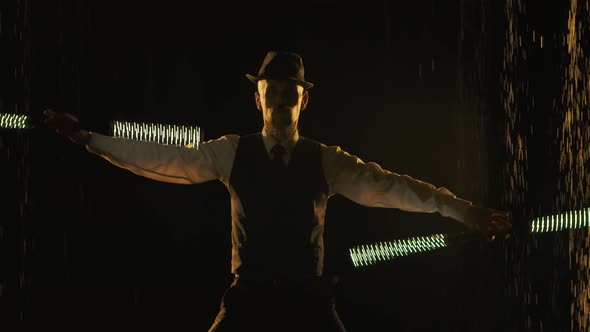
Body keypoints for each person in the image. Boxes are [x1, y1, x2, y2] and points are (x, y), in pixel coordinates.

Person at [43, 51, 511, 332]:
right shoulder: (231, 153)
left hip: (308, 303)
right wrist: (87, 140)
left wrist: (462, 210)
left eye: (291, 93)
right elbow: (166, 161)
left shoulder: (326, 160)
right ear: (258, 97)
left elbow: (393, 187)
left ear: (304, 100)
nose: (282, 101)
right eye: (274, 92)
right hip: (247, 300)